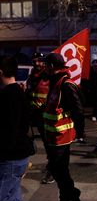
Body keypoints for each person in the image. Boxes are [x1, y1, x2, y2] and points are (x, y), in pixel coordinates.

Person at [42, 53, 84, 201]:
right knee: (58, 170)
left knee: (58, 170)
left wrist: (80, 131)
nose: (43, 67)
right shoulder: (55, 82)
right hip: (53, 135)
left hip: (61, 136)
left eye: (46, 65)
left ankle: (70, 197)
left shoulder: (65, 84)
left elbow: (78, 109)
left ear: (52, 66)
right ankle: (68, 198)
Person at [0, 55, 35, 201]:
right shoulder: (20, 92)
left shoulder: (7, 95)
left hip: (11, 157)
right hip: (20, 154)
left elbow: (9, 129)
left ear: (0, 72)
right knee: (13, 197)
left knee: (6, 200)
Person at [26, 52, 56, 184]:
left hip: (47, 115)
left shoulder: (49, 76)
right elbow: (32, 93)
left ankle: (53, 171)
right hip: (37, 115)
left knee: (50, 144)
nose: (36, 63)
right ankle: (51, 166)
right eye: (35, 60)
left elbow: (49, 96)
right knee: (46, 143)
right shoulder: (33, 76)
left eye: (39, 61)